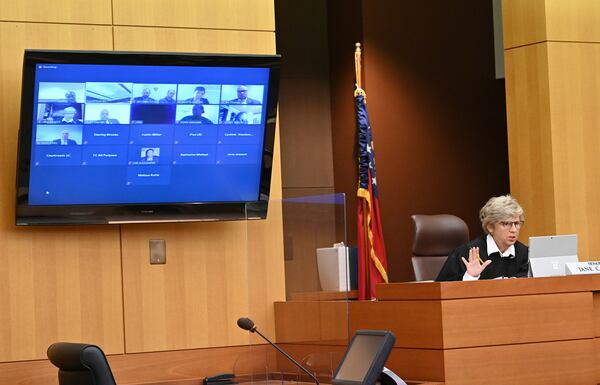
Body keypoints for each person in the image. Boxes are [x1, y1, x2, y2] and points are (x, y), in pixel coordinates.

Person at [435, 195, 530, 281]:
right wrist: (470, 277)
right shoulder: (466, 253)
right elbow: (440, 291)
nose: (513, 229)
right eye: (506, 224)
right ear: (490, 227)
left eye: (517, 223)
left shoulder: (525, 254)